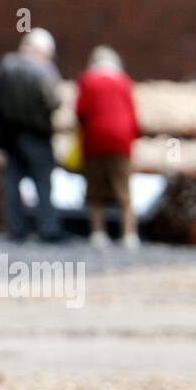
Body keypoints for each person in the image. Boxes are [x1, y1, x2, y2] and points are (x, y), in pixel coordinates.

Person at [0, 28, 64, 242]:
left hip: (10, 133)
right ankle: (48, 227)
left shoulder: (4, 65)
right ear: (43, 50)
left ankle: (15, 227)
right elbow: (53, 102)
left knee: (12, 179)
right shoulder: (43, 70)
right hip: (36, 133)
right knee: (43, 181)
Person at [75, 46, 140, 249]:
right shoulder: (124, 81)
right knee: (124, 190)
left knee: (95, 190)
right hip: (121, 140)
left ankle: (98, 233)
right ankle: (129, 235)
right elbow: (133, 116)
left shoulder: (88, 80)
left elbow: (80, 111)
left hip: (95, 139)